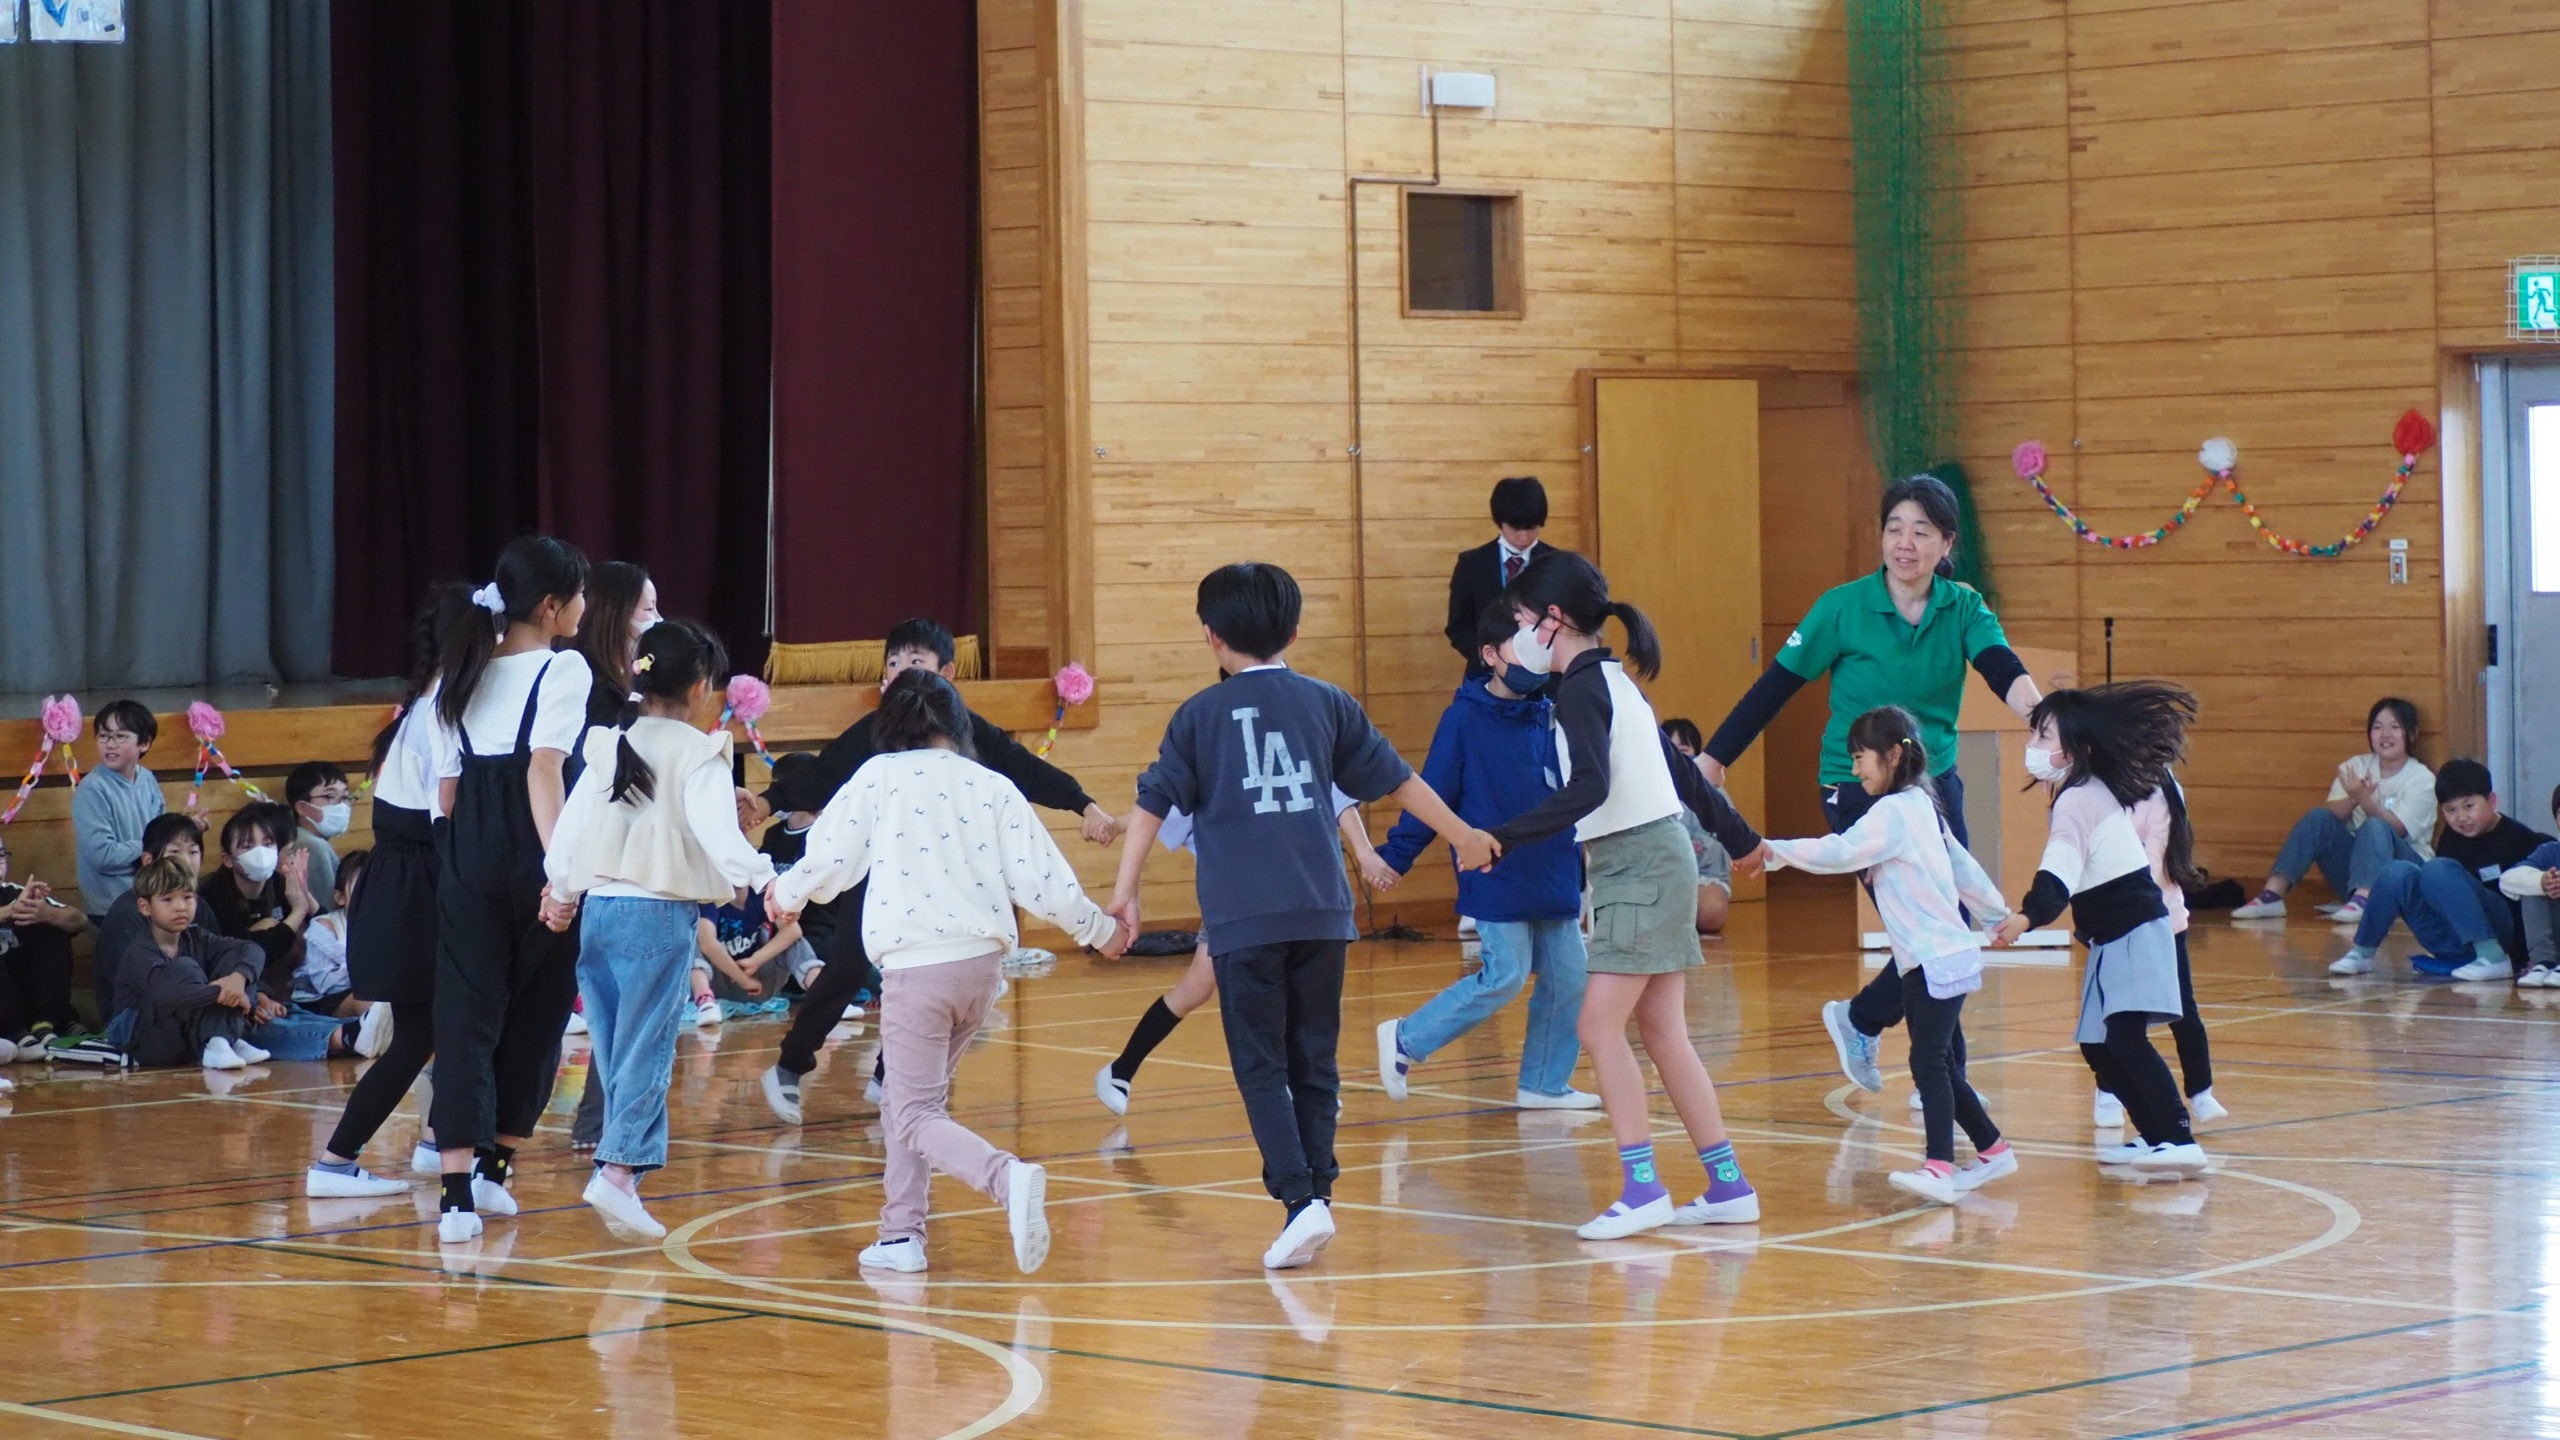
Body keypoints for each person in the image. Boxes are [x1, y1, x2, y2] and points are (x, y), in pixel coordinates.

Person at [1107, 562, 1495, 1271]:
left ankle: (1299, 1200)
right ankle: (1316, 1195)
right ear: (1293, 631)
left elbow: (1151, 806)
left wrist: (1126, 891)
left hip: (1244, 918)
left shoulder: (1197, 716)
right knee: (1314, 1060)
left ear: (1211, 636)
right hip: (1322, 912)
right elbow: (1400, 780)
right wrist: (1463, 834)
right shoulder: (1327, 701)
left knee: (1261, 1063)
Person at [769, 668, 1128, 1275]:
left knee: (912, 1112)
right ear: (958, 724)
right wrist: (1099, 931)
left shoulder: (877, 777)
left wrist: (785, 893)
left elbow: (829, 859)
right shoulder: (991, 784)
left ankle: (1005, 1179)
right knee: (909, 1104)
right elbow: (1043, 880)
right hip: (982, 973)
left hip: (918, 973)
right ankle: (900, 1235)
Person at [1698, 476, 2040, 1094]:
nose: (1905, 543)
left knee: (1946, 929)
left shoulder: (1963, 607)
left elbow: (2002, 669)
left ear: (1946, 543)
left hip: (1932, 785)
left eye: (1921, 532)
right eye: (1894, 529)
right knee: (1933, 932)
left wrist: (2044, 721)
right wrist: (1716, 758)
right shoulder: (1842, 607)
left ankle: (1865, 1021)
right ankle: (1944, 1079)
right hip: (1857, 784)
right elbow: (1775, 686)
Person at [1482, 551, 1769, 1240]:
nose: (1518, 634)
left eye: (1522, 620)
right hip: (1655, 858)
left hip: (1637, 864)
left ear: (1552, 621)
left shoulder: (1583, 689)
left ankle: (1643, 1188)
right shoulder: (1614, 682)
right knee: (1663, 1032)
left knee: (1597, 1027)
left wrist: (1502, 838)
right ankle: (1728, 1183)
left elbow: (1591, 787)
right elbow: (1685, 776)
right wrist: (1741, 839)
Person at [759, 618, 1119, 1126]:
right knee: (848, 969)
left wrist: (1083, 804)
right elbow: (822, 776)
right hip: (882, 881)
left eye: (916, 662)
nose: (902, 671)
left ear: (946, 674)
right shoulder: (875, 741)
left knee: (920, 981)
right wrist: (767, 804)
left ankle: (891, 1079)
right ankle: (791, 1064)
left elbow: (1025, 769)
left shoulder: (967, 736)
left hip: (947, 889)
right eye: (893, 663)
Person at [542, 619, 776, 1240]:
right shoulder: (698, 752)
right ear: (700, 687)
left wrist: (560, 891)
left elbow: (570, 828)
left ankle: (618, 1170)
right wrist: (764, 878)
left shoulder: (609, 742)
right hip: (656, 914)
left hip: (599, 912)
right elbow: (719, 833)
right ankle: (619, 1172)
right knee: (647, 1047)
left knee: (616, 1046)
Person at [1762, 707, 2015, 1206]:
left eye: (1860, 758)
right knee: (1940, 1063)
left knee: (1929, 1062)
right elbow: (1961, 865)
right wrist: (1995, 915)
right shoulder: (1922, 804)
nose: (1855, 769)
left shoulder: (1893, 812)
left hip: (1933, 959)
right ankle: (1992, 1149)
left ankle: (1939, 1167)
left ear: (1893, 755)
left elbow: (1839, 852)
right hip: (1940, 957)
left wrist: (1773, 850)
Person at [427, 534, 592, 1244]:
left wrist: (460, 858)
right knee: (539, 1008)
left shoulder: (461, 668)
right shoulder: (564, 668)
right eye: (579, 595)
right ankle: (495, 1166)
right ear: (551, 607)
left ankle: (457, 1193)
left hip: (467, 850)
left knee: (465, 1016)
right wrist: (562, 873)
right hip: (534, 848)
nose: (585, 607)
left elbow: (445, 793)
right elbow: (543, 771)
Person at [1372, 602, 1597, 1111]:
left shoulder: (1554, 714)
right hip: (1495, 871)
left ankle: (1544, 1083)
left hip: (1553, 871)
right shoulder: (1464, 719)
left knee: (1569, 979)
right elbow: (1432, 793)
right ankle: (1406, 1037)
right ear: (1490, 655)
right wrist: (1397, 856)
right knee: (1506, 975)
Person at [1989, 682, 2207, 1175]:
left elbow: (2059, 869)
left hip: (2135, 929)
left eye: (2044, 736)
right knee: (2098, 1043)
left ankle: (2179, 1137)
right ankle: (2155, 1136)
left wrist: (2027, 917)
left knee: (2124, 1040)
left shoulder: (2078, 799)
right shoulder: (2083, 791)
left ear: (2075, 750)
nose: (2033, 745)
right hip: (2113, 937)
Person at [304, 585, 471, 1201]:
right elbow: (446, 817)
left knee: (436, 1030)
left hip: (402, 882)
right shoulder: (443, 711)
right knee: (423, 1035)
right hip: (416, 888)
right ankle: (335, 1162)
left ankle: (435, 1142)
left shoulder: (425, 704)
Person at [1093, 787, 1390, 1118]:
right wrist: (1116, 825)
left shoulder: (1296, 759)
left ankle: (1305, 1084)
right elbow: (1157, 810)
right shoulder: (1206, 768)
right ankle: (1121, 1070)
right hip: (1235, 898)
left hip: (1300, 892)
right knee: (1197, 988)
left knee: (1296, 987)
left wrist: (1364, 852)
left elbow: (1338, 800)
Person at [115, 857, 359, 1068]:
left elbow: (250, 949)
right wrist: (228, 994)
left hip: (193, 1026)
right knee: (186, 968)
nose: (180, 907)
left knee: (238, 968)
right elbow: (171, 995)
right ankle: (223, 1039)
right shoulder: (140, 951)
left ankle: (223, 1039)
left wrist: (239, 980)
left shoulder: (197, 936)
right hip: (147, 1039)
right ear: (145, 907)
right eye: (167, 900)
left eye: (187, 897)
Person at [2327, 760, 2555, 982]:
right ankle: (2363, 952)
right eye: (2450, 810)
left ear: (2491, 801)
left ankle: (2491, 955)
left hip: (2504, 939)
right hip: (2454, 939)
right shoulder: (2451, 837)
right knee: (2397, 871)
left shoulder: (2522, 840)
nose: (2461, 817)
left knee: (2437, 868)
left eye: (2469, 806)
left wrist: (2535, 957)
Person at [2093, 773, 2224, 1129]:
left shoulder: (2165, 792)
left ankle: (2201, 1091)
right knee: (2117, 1016)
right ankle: (2107, 1090)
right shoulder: (2096, 789)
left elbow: (2156, 863)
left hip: (2163, 919)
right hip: (2115, 921)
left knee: (2183, 1008)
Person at [2231, 698, 2433, 924]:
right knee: (2318, 817)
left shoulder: (2422, 779)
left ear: (2412, 734)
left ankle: (2365, 899)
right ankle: (2272, 895)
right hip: (2354, 873)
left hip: (2405, 876)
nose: (2385, 734)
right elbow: (2331, 817)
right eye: (2377, 727)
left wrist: (2365, 799)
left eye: (2395, 727)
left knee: (2375, 826)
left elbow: (2397, 829)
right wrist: (2353, 798)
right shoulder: (2356, 766)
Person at [89, 813, 204, 1029]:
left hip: (191, 1005)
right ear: (148, 861)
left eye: (193, 852)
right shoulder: (128, 913)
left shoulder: (199, 904)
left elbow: (224, 952)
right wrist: (215, 993)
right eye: (174, 852)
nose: (186, 861)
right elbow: (146, 988)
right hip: (136, 1018)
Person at [196, 803, 318, 1003]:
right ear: (228, 859)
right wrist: (298, 912)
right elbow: (246, 951)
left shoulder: (280, 882)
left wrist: (306, 896)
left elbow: (323, 932)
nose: (260, 852)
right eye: (247, 846)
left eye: (268, 844)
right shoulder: (211, 894)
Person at [1443, 475, 1553, 677]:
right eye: (1515, 528)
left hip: (1544, 673)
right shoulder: (1472, 564)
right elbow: (1458, 625)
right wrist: (1487, 656)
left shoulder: (1556, 563)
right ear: (1500, 522)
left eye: (1531, 528)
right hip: (1486, 674)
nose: (1523, 537)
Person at [73, 698, 166, 924]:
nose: (110, 744)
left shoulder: (147, 779)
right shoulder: (92, 788)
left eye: (120, 736)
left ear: (144, 743)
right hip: (110, 907)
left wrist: (184, 830)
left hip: (150, 897)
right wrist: (150, 846)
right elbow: (103, 856)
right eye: (103, 736)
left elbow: (163, 832)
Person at [0, 841, 88, 1055]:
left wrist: (47, 914)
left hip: (22, 990)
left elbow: (80, 920)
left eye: (0, 856)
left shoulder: (14, 892)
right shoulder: (14, 903)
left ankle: (46, 1023)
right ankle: (14, 1032)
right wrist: (11, 910)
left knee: (52, 927)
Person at [1659, 719, 1732, 935]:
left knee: (1711, 913)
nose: (1677, 759)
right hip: (1659, 879)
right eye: (1670, 752)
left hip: (1705, 877)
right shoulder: (1650, 792)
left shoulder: (1712, 792)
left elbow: (1731, 832)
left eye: (1684, 751)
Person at [293, 850, 371, 1018]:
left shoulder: (388, 925)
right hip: (324, 999)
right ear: (340, 897)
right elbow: (324, 982)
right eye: (361, 887)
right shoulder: (325, 926)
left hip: (368, 988)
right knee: (368, 999)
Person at [2500, 784, 2560, 988]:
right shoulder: (2549, 852)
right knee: (2531, 884)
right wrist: (2542, 882)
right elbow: (2507, 880)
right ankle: (2544, 962)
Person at [284, 761, 354, 912]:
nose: (341, 805)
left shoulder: (300, 838)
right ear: (302, 808)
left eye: (345, 797)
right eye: (330, 796)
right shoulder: (313, 846)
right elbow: (328, 910)